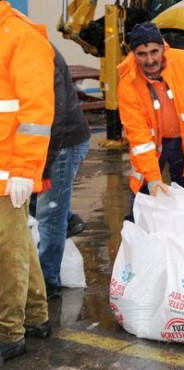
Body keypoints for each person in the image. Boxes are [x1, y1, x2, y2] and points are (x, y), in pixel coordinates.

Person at [0, 1, 54, 363]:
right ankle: (36, 316)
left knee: (8, 248)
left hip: (10, 169)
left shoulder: (20, 36)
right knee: (16, 240)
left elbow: (37, 113)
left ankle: (9, 332)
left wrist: (24, 169)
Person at [117, 22, 184, 219]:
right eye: (142, 54)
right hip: (152, 149)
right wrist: (153, 178)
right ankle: (139, 235)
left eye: (154, 51)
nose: (150, 59)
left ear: (164, 47)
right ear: (133, 55)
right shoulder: (128, 85)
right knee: (143, 200)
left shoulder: (183, 61)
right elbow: (139, 137)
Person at [31, 46, 91, 300]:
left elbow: (55, 117)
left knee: (48, 213)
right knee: (33, 203)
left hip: (61, 143)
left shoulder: (34, 52)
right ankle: (67, 219)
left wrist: (43, 171)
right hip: (40, 142)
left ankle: (48, 281)